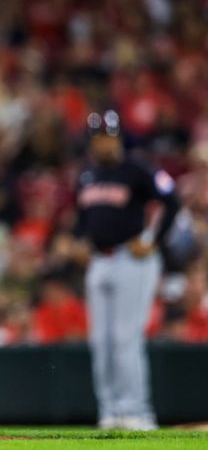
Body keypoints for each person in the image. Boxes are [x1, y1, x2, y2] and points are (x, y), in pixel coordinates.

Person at [74, 110, 180, 430]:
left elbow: (171, 201)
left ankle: (137, 411)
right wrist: (77, 241)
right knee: (100, 341)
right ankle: (110, 411)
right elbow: (84, 220)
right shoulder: (87, 175)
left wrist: (153, 239)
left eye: (107, 136)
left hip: (131, 260)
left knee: (125, 339)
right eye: (97, 137)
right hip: (99, 261)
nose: (102, 143)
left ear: (118, 137)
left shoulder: (137, 169)